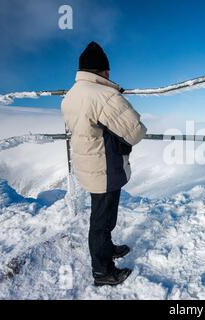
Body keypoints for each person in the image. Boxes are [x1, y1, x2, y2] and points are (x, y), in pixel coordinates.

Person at [61, 41, 147, 286]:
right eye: (108, 71)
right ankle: (103, 272)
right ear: (103, 71)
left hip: (88, 164)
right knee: (102, 221)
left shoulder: (71, 95)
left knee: (101, 216)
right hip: (104, 167)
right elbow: (136, 131)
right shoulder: (104, 95)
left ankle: (107, 249)